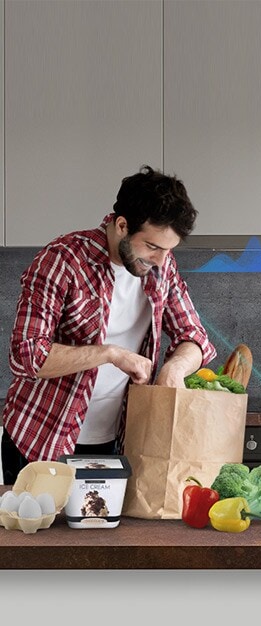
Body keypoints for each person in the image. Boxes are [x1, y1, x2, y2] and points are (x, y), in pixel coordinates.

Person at [1, 165, 216, 485]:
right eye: (153, 246)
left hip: (115, 443)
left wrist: (176, 367)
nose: (160, 260)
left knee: (105, 537)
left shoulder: (162, 266)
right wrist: (111, 354)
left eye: (168, 250)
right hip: (42, 440)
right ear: (121, 225)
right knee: (45, 534)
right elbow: (26, 354)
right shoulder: (62, 260)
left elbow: (194, 337)